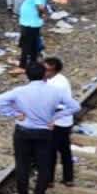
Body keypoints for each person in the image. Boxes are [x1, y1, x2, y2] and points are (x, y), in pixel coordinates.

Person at [0, 63, 81, 194]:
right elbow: (75, 106)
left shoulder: (20, 91)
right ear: (44, 74)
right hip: (44, 132)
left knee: (22, 165)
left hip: (23, 131)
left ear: (27, 75)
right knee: (44, 165)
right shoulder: (55, 91)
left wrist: (14, 114)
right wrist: (55, 117)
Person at [44, 57, 75, 187]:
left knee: (51, 151)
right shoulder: (60, 79)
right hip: (65, 121)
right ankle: (68, 178)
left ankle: (48, 179)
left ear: (53, 70)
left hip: (58, 122)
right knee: (65, 150)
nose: (44, 72)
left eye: (47, 70)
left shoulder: (55, 84)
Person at [18, 0, 53, 70]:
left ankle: (23, 65)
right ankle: (33, 62)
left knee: (26, 44)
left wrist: (41, 14)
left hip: (30, 22)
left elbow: (40, 7)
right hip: (31, 21)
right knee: (32, 43)